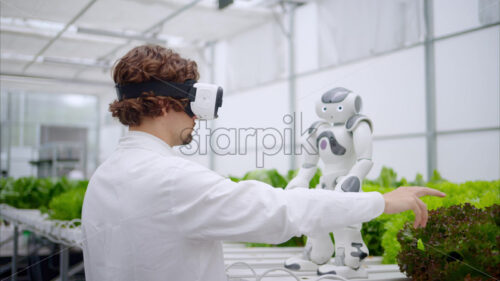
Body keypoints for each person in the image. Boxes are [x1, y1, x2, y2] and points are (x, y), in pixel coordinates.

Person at [81, 45, 445, 281]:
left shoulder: (105, 175)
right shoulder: (170, 179)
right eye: (189, 102)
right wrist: (381, 201)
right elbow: (277, 211)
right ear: (162, 105)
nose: (197, 117)